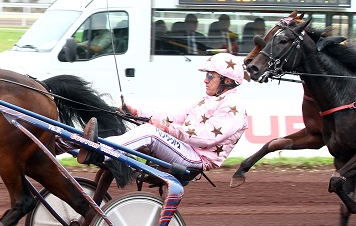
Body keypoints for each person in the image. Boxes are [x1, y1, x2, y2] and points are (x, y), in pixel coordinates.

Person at [77, 53, 248, 175]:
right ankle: (72, 143)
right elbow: (171, 115)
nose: (205, 80)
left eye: (210, 76)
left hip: (197, 157)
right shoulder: (207, 100)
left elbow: (207, 138)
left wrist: (168, 130)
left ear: (227, 80)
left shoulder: (233, 107)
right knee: (131, 126)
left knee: (149, 132)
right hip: (185, 149)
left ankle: (99, 151)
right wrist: (136, 112)